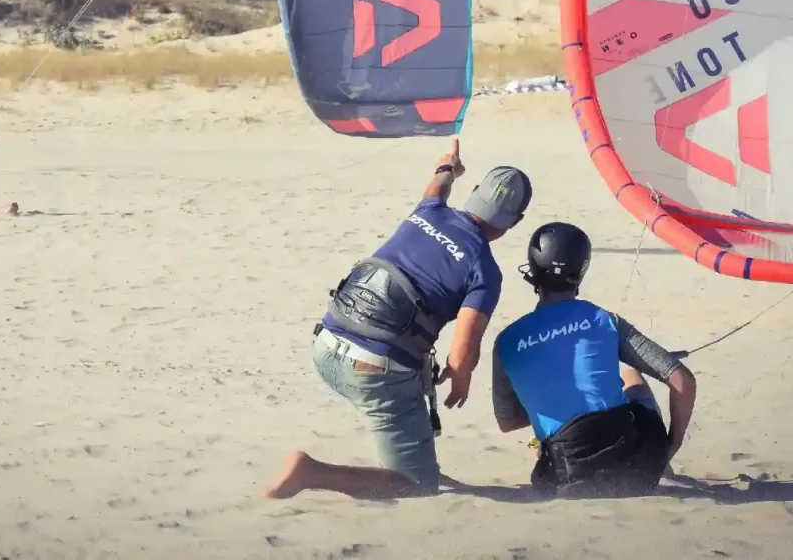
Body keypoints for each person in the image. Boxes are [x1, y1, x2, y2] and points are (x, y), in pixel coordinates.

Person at [263, 139, 533, 500]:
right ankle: (310, 473)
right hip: (372, 371)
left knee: (408, 377)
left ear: (474, 193)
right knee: (418, 486)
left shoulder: (429, 211)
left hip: (325, 346)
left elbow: (437, 185)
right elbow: (462, 354)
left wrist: (448, 166)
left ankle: (410, 451)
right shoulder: (484, 271)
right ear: (515, 222)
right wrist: (461, 376)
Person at [491, 221, 697, 499]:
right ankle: (665, 465)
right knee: (630, 374)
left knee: (549, 425)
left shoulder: (506, 340)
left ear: (533, 267)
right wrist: (672, 444)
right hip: (637, 471)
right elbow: (682, 379)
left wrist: (552, 402)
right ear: (582, 270)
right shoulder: (604, 319)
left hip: (565, 480)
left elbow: (507, 422)